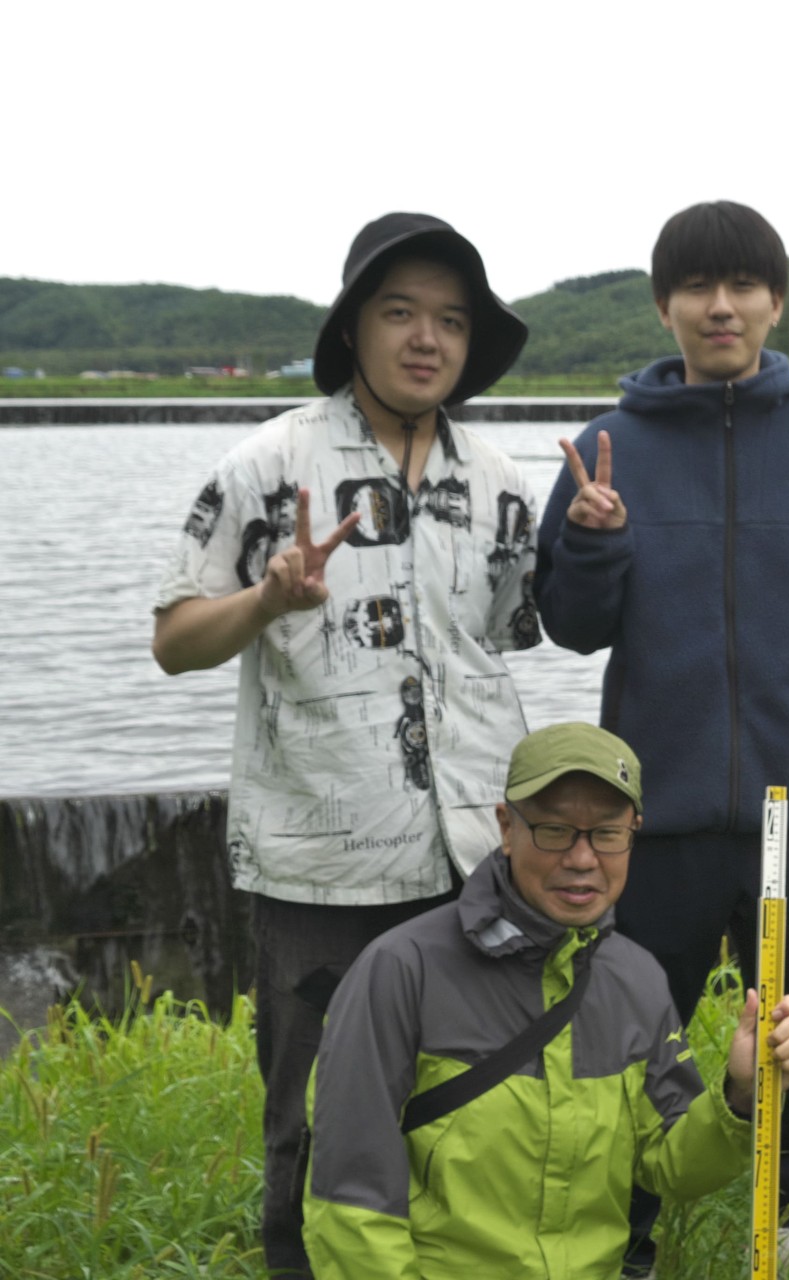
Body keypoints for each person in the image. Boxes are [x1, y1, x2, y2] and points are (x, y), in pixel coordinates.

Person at [150, 212, 538, 1278]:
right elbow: (174, 642)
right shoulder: (269, 465)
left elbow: (507, 640)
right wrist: (266, 602)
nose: (427, 337)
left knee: (468, 1103)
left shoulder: (502, 482)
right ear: (354, 326)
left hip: (473, 855)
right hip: (321, 863)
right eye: (400, 311)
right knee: (313, 1111)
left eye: (451, 319)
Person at [533, 200, 789, 1278]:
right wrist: (593, 543)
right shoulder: (610, 448)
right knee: (631, 1032)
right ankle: (621, 1233)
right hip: (657, 814)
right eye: (696, 287)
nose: (719, 306)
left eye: (742, 286)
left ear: (777, 301)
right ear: (663, 306)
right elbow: (569, 623)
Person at [301, 722, 789, 1278]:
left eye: (607, 833)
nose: (582, 858)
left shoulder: (637, 980)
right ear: (507, 828)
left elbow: (673, 1167)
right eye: (555, 830)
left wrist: (741, 1094)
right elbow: (351, 1202)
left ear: (633, 834)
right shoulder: (402, 970)